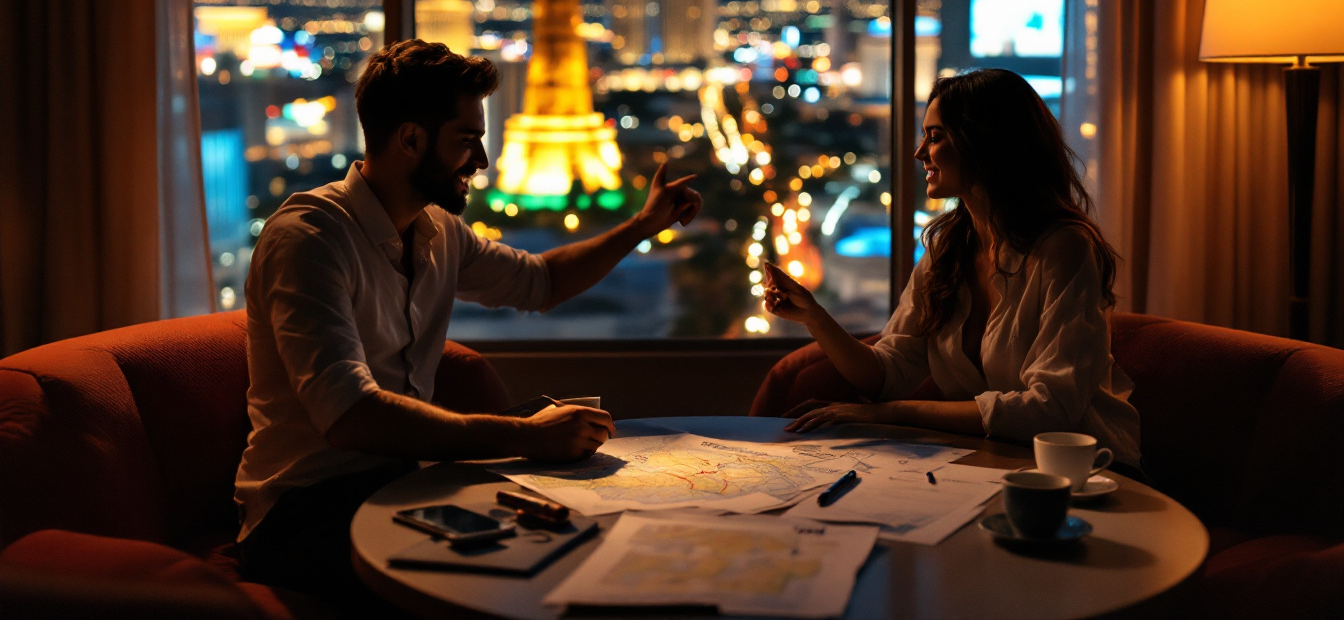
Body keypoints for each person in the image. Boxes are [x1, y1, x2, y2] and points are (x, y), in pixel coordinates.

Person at [234, 39, 701, 609]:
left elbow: (542, 282)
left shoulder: (438, 231)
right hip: (306, 512)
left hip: (402, 483)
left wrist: (642, 226)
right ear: (410, 140)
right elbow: (350, 416)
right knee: (520, 567)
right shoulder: (309, 238)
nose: (480, 161)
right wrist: (524, 436)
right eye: (467, 141)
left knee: (577, 534)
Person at [763, 68, 1140, 472]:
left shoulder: (1064, 249)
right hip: (999, 461)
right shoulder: (947, 248)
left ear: (985, 142)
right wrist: (814, 317)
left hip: (1087, 471)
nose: (919, 151)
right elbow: (889, 374)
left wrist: (895, 413)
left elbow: (1051, 409)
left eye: (936, 136)